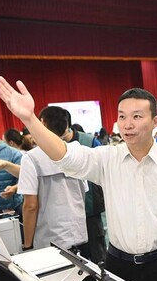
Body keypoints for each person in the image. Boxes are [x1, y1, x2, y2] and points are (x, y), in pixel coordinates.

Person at [0, 78, 157, 281]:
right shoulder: (106, 158)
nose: (128, 124)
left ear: (154, 121)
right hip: (120, 267)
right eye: (122, 116)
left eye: (137, 116)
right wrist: (29, 118)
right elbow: (64, 155)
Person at [41, 107, 107, 264]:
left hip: (89, 210)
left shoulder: (89, 142)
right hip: (63, 217)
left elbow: (103, 170)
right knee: (73, 261)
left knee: (98, 256)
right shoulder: (46, 147)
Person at [18, 106, 88, 250]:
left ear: (42, 123)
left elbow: (30, 206)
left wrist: (27, 243)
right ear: (66, 127)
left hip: (50, 239)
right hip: (78, 233)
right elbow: (83, 192)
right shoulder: (76, 152)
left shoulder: (31, 158)